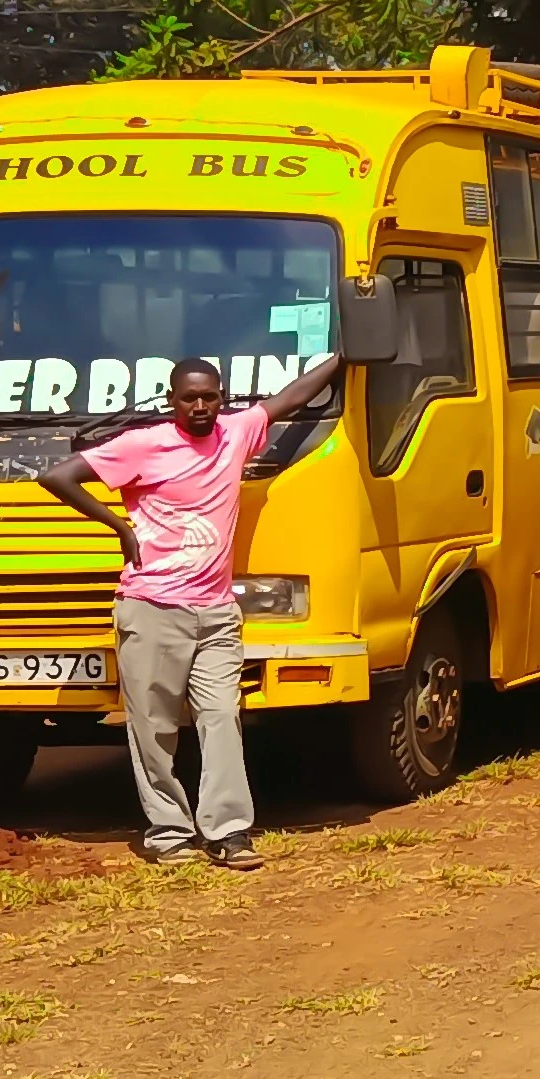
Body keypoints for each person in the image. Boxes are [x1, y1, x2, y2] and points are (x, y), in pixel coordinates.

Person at [38, 351, 346, 867]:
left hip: (218, 614)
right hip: (152, 608)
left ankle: (228, 831)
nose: (201, 406)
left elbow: (289, 398)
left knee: (222, 716)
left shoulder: (236, 433)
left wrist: (345, 357)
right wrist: (119, 526)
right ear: (171, 401)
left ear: (221, 398)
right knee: (154, 726)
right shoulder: (144, 445)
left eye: (210, 397)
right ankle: (169, 831)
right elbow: (58, 477)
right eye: (189, 398)